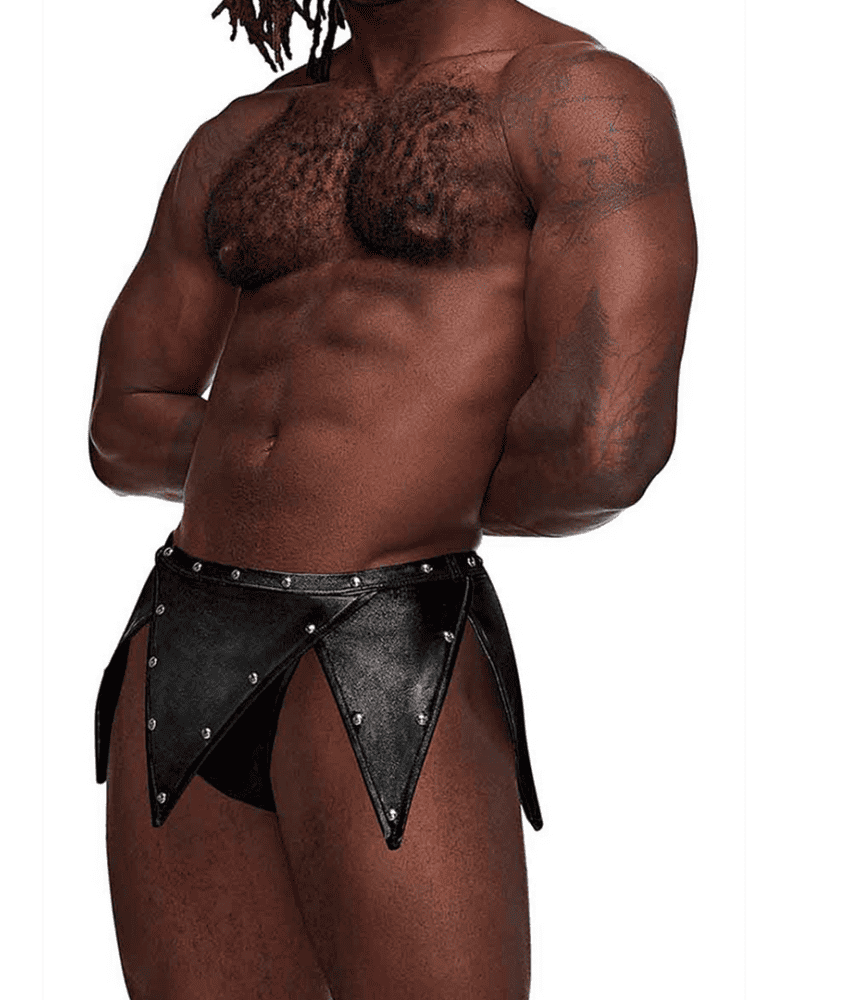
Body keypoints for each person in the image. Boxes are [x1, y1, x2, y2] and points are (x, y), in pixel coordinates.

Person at [88, 0, 697, 996]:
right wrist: (333, 467)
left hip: (391, 635)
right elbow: (123, 422)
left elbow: (605, 445)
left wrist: (370, 478)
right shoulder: (246, 130)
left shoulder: (578, 102)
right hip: (184, 630)